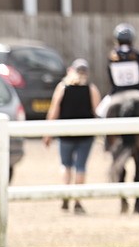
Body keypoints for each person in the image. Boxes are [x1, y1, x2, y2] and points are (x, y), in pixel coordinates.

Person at [43, 58, 101, 214]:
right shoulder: (91, 89)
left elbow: (53, 112)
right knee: (80, 167)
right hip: (85, 135)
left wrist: (47, 133)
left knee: (65, 165)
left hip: (66, 134)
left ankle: (65, 196)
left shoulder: (62, 87)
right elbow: (98, 113)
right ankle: (77, 201)